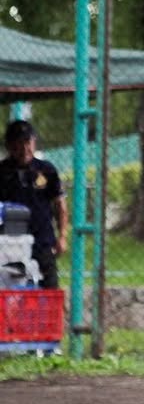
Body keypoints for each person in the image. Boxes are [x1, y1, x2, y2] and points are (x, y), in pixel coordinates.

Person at [0, 120, 68, 289]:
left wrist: (62, 236)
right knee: (11, 294)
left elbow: (60, 204)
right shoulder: (2, 172)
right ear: (9, 146)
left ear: (34, 142)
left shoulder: (46, 170)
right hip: (10, 247)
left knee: (49, 291)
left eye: (27, 142)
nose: (24, 149)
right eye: (18, 144)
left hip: (42, 243)